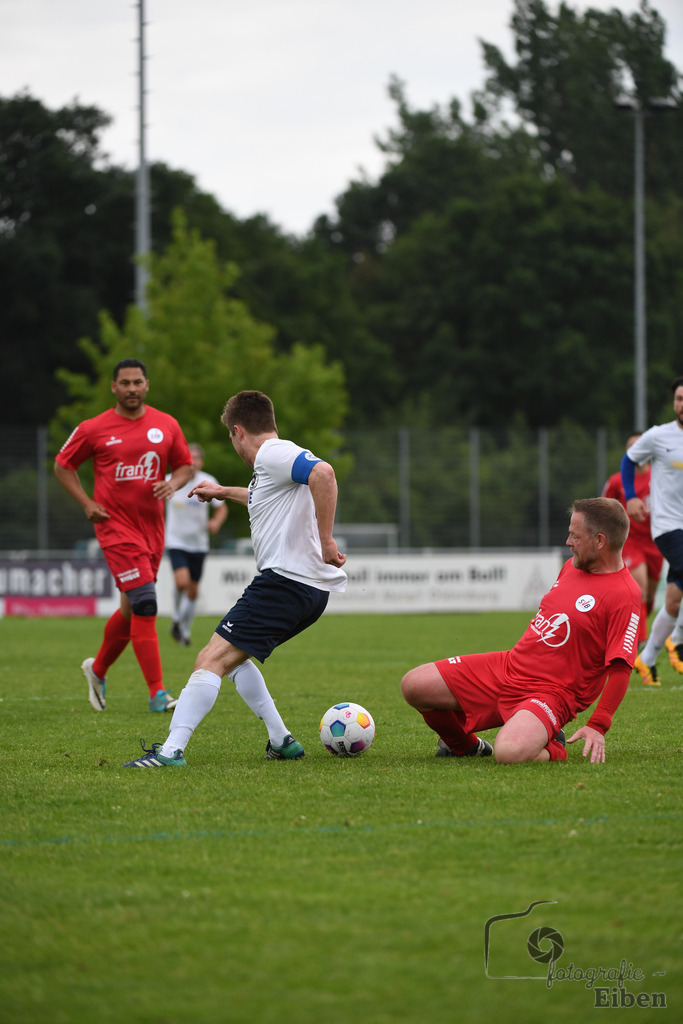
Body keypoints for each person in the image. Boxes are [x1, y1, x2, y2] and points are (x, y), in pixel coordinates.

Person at [123, 389, 347, 767]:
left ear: (238, 431)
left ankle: (170, 751)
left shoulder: (273, 453)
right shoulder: (273, 464)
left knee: (208, 659)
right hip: (306, 590)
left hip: (286, 583)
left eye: (231, 438)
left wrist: (326, 541)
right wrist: (223, 491)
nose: (234, 447)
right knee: (235, 658)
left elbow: (323, 473)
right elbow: (265, 496)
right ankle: (282, 741)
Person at [401, 498, 640, 765]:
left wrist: (598, 724)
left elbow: (620, 668)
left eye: (575, 535)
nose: (568, 542)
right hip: (508, 667)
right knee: (414, 685)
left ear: (599, 541)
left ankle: (552, 743)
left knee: (509, 753)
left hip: (551, 693)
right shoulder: (571, 567)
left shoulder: (625, 595)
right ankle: (465, 746)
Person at [54, 359, 193, 712]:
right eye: (125, 383)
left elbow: (185, 465)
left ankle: (97, 670)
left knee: (132, 610)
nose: (132, 388)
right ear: (113, 387)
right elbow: (63, 464)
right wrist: (86, 502)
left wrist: (172, 483)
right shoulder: (93, 428)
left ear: (147, 385)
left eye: (137, 382)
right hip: (114, 528)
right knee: (146, 602)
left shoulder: (166, 425)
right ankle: (157, 694)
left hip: (153, 530)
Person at [622, 376, 683, 686]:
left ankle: (646, 660)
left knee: (673, 597)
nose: (682, 405)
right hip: (668, 526)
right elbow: (628, 461)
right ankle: (678, 640)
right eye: (679, 399)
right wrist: (630, 496)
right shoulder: (660, 436)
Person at [602, 433, 663, 645]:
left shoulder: (660, 476)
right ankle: (640, 645)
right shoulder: (617, 481)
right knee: (641, 588)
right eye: (630, 446)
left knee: (649, 596)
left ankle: (628, 633)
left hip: (656, 541)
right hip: (629, 541)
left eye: (639, 445)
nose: (635, 449)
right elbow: (604, 508)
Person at [166, 443, 228, 647]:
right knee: (182, 582)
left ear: (201, 461)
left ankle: (183, 631)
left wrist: (216, 522)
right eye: (189, 458)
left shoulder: (208, 481)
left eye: (196, 458)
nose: (192, 462)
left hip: (199, 544)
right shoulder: (170, 481)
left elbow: (221, 508)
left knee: (193, 592)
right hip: (176, 541)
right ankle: (176, 617)